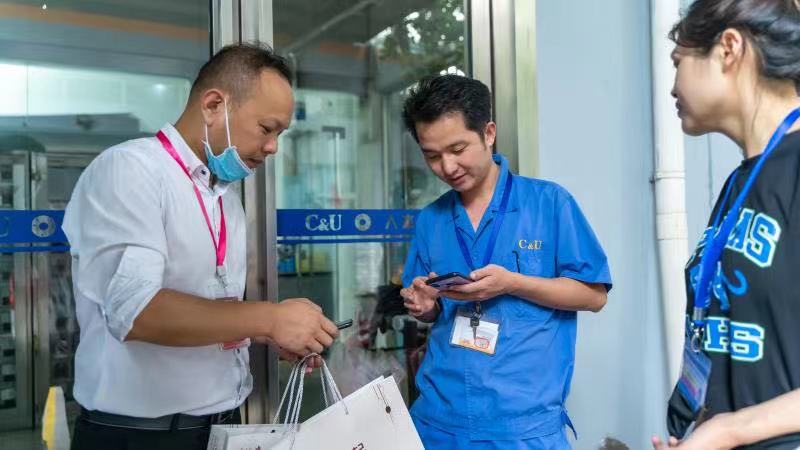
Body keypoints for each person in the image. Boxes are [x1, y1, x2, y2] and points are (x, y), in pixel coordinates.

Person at [63, 43, 339, 450]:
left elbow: (211, 310)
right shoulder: (131, 170)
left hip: (222, 426)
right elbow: (137, 312)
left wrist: (272, 332)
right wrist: (267, 318)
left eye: (280, 134)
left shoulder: (224, 196)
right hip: (142, 436)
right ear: (213, 105)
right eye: (266, 128)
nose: (273, 147)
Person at [399, 74, 612, 449]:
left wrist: (513, 283)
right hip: (438, 419)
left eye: (458, 148)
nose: (447, 166)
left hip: (523, 426)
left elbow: (594, 296)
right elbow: (431, 311)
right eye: (432, 156)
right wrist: (424, 304)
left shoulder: (549, 203)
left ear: (489, 133)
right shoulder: (431, 220)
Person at [651, 1, 800, 449]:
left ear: (729, 49)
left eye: (678, 62)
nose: (673, 86)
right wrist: (701, 430)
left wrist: (729, 430)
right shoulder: (741, 181)